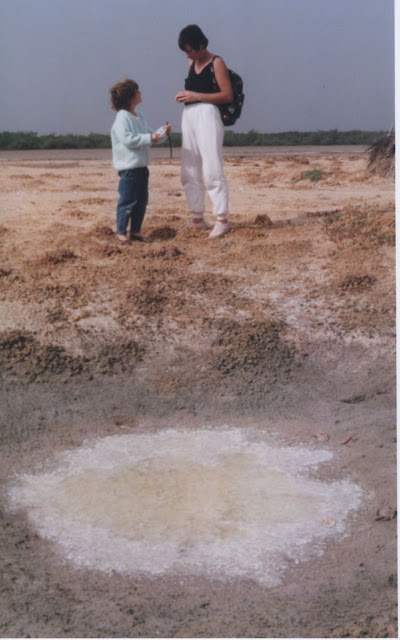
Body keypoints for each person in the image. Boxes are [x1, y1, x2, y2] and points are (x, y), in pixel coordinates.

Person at [175, 24, 232, 239]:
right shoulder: (191, 63)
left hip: (208, 114)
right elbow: (193, 92)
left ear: (201, 44)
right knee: (189, 166)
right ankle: (197, 217)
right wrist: (186, 96)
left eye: (190, 50)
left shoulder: (217, 63)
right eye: (185, 51)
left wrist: (196, 96)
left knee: (211, 165)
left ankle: (222, 219)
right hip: (189, 114)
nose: (188, 55)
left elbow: (227, 95)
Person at [110, 78, 171, 244]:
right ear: (130, 96)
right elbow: (128, 139)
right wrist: (150, 137)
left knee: (141, 201)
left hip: (142, 168)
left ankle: (135, 231)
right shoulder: (122, 117)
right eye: (137, 91)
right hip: (129, 169)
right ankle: (121, 232)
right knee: (127, 201)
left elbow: (150, 135)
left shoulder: (139, 116)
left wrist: (162, 133)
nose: (140, 93)